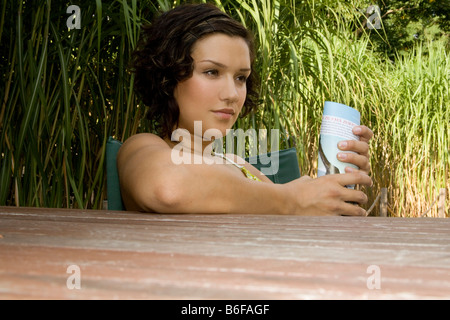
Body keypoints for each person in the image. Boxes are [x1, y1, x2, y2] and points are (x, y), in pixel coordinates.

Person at [117, 3, 373, 215]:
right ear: (168, 78)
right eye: (211, 72)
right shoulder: (143, 147)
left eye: (241, 78)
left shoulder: (238, 165)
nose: (232, 94)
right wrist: (293, 199)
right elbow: (168, 188)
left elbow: (290, 208)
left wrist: (339, 185)